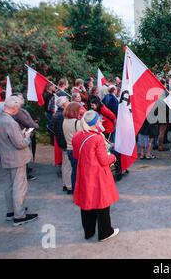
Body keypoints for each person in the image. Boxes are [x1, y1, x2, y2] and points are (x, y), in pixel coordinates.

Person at [72, 110, 120, 242]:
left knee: (87, 202)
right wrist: (114, 157)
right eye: (99, 120)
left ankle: (89, 231)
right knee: (102, 203)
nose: (101, 121)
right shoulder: (97, 138)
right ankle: (105, 232)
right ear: (95, 122)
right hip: (98, 174)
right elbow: (104, 160)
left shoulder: (77, 135)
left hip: (84, 173)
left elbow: (76, 156)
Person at [0, 96, 38, 226]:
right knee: (19, 186)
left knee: (9, 186)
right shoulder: (11, 122)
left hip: (5, 156)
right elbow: (20, 144)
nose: (18, 111)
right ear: (14, 108)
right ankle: (19, 216)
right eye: (17, 109)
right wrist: (27, 137)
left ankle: (11, 212)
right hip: (16, 158)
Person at [11, 93, 39, 181]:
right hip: (23, 134)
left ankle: (26, 169)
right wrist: (35, 125)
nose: (23, 99)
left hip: (25, 133)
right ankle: (25, 173)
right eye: (21, 98)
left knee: (25, 153)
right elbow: (27, 122)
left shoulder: (20, 110)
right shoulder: (18, 111)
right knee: (24, 154)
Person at [51, 96, 72, 194]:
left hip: (62, 142)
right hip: (66, 143)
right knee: (68, 165)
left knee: (65, 165)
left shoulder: (57, 114)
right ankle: (69, 186)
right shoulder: (62, 115)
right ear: (64, 104)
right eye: (68, 101)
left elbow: (50, 127)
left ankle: (65, 184)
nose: (69, 102)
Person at [63, 102, 84, 192]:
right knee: (79, 172)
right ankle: (79, 191)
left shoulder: (65, 120)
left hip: (69, 149)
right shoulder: (77, 122)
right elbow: (82, 136)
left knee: (74, 171)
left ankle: (74, 190)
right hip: (77, 150)